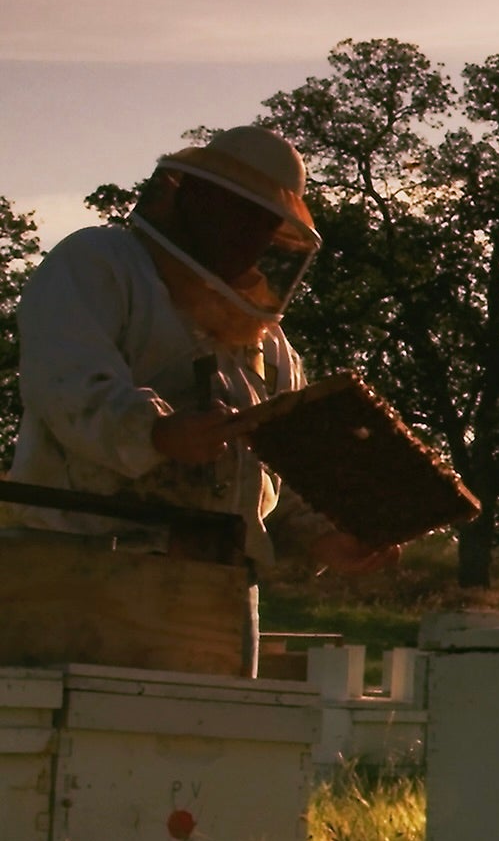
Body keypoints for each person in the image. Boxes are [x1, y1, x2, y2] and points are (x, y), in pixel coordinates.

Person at [7, 126, 384, 599]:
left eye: (267, 222)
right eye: (242, 211)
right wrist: (158, 432)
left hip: (220, 584)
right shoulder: (98, 263)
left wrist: (325, 537)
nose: (253, 236)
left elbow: (278, 473)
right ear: (197, 197)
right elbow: (67, 384)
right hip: (83, 567)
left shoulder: (269, 344)